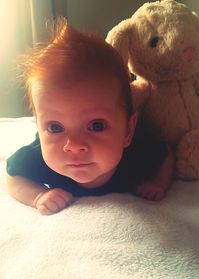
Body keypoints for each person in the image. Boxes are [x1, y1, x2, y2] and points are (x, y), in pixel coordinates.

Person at [6, 19, 174, 215]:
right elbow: (13, 176)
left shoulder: (138, 154)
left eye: (96, 125)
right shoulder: (38, 159)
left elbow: (166, 154)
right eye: (54, 127)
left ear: (128, 131)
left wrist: (157, 183)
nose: (74, 145)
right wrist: (38, 196)